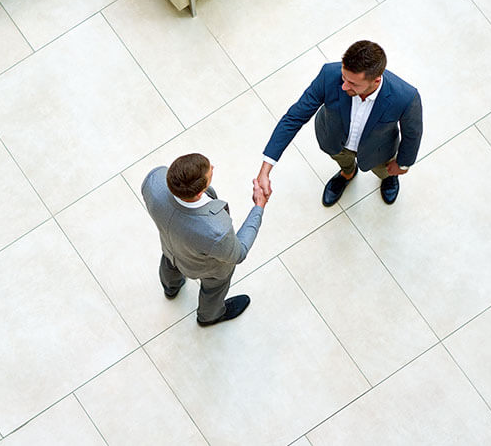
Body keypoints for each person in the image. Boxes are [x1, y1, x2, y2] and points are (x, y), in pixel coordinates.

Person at [257, 40, 422, 206]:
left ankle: (388, 178)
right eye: (344, 78)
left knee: (385, 171)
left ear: (376, 80)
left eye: (353, 83)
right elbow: (294, 118)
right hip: (335, 140)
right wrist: (265, 170)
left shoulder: (406, 97)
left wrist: (403, 163)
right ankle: (347, 173)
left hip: (379, 151)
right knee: (343, 160)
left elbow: (412, 134)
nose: (344, 86)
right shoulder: (328, 74)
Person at [142, 153, 267, 326]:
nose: (213, 168)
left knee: (170, 262)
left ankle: (171, 288)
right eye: (210, 172)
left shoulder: (154, 182)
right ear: (201, 192)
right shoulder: (216, 229)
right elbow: (239, 253)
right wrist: (258, 207)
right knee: (214, 288)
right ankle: (209, 317)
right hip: (206, 269)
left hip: (170, 247)